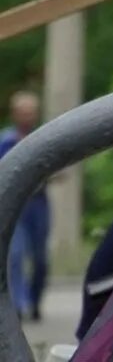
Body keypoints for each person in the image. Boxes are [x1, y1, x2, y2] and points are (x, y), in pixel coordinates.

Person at [0, 91, 43, 322]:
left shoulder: (44, 137)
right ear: (15, 114)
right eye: (23, 113)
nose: (27, 117)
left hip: (38, 203)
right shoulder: (6, 141)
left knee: (40, 257)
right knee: (14, 255)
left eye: (31, 112)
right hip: (14, 204)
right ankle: (18, 304)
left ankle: (35, 301)